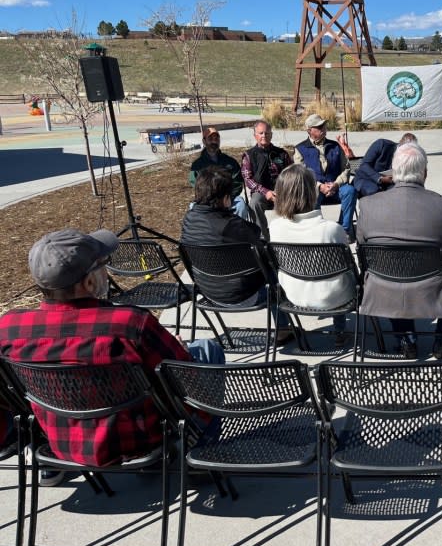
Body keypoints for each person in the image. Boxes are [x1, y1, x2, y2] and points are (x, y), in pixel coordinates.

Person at [0, 228, 224, 484]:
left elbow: (10, 397)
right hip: (137, 442)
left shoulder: (9, 329)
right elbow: (187, 381)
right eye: (103, 265)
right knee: (207, 352)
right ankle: (199, 454)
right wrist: (178, 350)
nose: (107, 271)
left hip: (60, 442)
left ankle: (50, 466)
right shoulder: (129, 324)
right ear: (89, 282)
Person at [357, 141, 442, 359]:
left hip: (383, 289)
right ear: (425, 173)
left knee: (390, 269)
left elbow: (362, 253)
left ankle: (405, 339)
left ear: (394, 172)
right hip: (433, 289)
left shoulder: (368, 206)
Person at [181, 167, 290, 341]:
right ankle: (283, 328)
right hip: (241, 296)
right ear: (225, 198)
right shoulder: (231, 225)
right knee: (275, 271)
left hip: (208, 292)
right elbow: (262, 248)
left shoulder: (189, 218)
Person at [267, 164, 355, 347]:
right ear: (311, 193)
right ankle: (340, 331)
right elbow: (350, 270)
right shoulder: (332, 230)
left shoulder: (274, 227)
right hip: (333, 299)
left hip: (293, 296)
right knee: (342, 275)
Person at [295, 114, 357, 241]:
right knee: (313, 193)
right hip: (315, 189)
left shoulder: (335, 146)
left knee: (350, 191)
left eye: (323, 126)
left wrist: (336, 184)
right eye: (318, 127)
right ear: (309, 131)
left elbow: (346, 168)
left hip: (335, 187)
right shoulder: (300, 149)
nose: (323, 129)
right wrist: (319, 186)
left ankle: (344, 230)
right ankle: (319, 231)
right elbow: (300, 174)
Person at [240, 120, 293, 239]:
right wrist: (266, 192)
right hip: (261, 192)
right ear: (255, 135)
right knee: (255, 202)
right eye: (261, 133)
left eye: (267, 133)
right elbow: (248, 179)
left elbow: (291, 174)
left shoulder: (282, 154)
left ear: (271, 135)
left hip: (281, 192)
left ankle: (289, 235)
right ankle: (262, 239)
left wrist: (283, 191)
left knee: (294, 199)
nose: (264, 136)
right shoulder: (249, 155)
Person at [189, 126, 249, 220]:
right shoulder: (197, 165)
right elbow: (196, 185)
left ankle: (237, 232)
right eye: (210, 139)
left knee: (240, 204)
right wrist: (211, 199)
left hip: (228, 199)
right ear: (204, 141)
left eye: (216, 138)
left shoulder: (230, 162)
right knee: (192, 207)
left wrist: (227, 198)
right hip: (207, 200)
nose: (214, 141)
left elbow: (237, 183)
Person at [352, 132, 417, 198]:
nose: (406, 154)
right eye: (405, 150)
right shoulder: (381, 144)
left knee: (402, 193)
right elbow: (364, 165)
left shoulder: (408, 157)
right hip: (366, 179)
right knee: (374, 192)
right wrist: (380, 178)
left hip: (389, 182)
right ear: (400, 143)